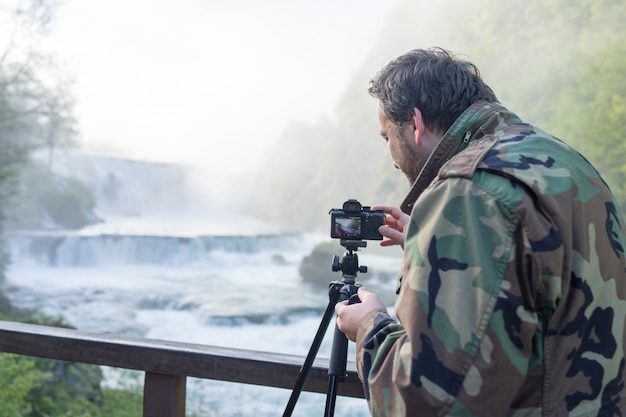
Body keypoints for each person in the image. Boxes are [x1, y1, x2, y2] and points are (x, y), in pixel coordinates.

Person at [334, 47, 626, 416]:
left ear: (415, 123)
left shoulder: (467, 191)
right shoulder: (565, 162)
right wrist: (431, 246)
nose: (391, 158)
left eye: (386, 137)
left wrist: (370, 328)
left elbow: (432, 403)